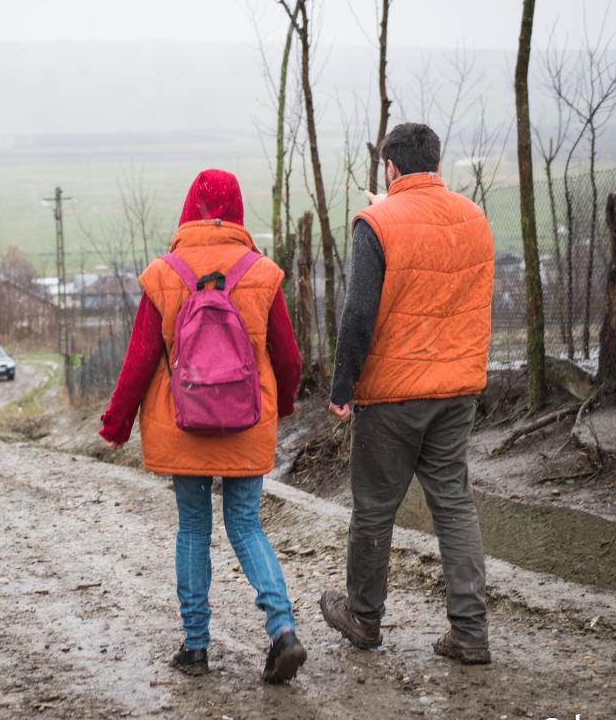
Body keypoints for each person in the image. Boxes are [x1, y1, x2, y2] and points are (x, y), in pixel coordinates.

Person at [99, 168, 307, 683]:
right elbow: (289, 357)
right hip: (246, 421)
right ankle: (283, 630)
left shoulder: (164, 273)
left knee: (193, 527)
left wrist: (117, 423)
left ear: (189, 209)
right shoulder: (262, 271)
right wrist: (278, 407)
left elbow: (139, 360)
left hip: (183, 423)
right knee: (246, 524)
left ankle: (195, 646)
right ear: (237, 212)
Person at [318, 123, 495, 665]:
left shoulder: (376, 224)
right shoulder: (474, 217)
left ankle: (363, 617)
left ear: (390, 167)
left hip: (392, 395)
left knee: (374, 509)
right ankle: (470, 632)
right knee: (455, 506)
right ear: (435, 163)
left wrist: (343, 386)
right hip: (457, 389)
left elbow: (358, 314)